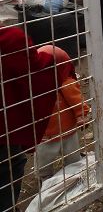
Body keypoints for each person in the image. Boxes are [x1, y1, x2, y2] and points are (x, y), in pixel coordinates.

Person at [0, 27, 64, 210]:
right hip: (7, 137)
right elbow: (35, 75)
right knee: (11, 165)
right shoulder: (10, 40)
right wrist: (56, 59)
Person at [34, 45, 89, 183]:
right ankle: (46, 177)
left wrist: (82, 115)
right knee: (45, 158)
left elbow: (77, 101)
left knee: (71, 156)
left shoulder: (66, 84)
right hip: (48, 134)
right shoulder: (34, 87)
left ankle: (73, 172)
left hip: (65, 131)